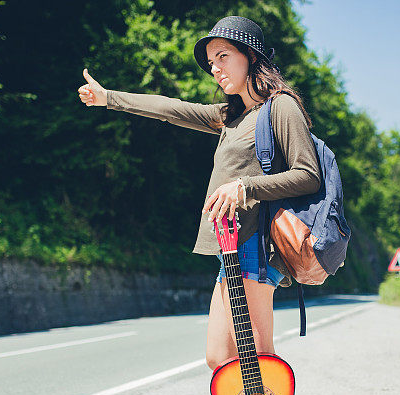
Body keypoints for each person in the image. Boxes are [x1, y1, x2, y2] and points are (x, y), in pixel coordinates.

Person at [77, 16, 321, 372]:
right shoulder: (232, 116)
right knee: (220, 358)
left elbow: (308, 175)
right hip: (231, 248)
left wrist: (245, 188)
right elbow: (171, 109)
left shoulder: (280, 108)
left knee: (258, 358)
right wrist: (108, 98)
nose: (215, 69)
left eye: (222, 56)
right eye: (211, 63)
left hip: (255, 244)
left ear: (250, 56)